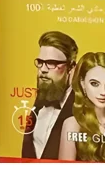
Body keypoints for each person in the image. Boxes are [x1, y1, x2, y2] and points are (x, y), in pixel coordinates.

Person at [22, 31, 78, 160]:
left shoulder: (83, 108)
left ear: (71, 67)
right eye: (40, 62)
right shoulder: (43, 95)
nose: (43, 69)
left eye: (51, 63)